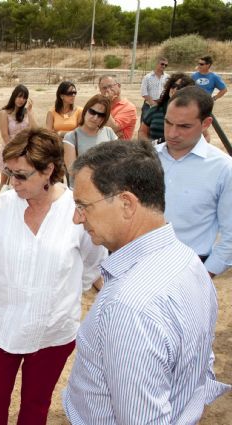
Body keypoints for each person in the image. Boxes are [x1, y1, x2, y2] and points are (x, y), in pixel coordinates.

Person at [63, 139, 230, 423]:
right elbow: (201, 363)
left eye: (83, 205)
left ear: (127, 204)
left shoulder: (128, 307)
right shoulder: (188, 262)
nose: (76, 218)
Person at [0, 128, 106, 425]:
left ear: (49, 171)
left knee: (36, 406)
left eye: (21, 175)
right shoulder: (0, 209)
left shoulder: (76, 211)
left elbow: (92, 263)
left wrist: (57, 293)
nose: (11, 182)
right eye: (9, 172)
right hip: (2, 329)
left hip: (53, 332)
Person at [157, 86, 232, 277]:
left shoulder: (224, 168)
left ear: (206, 123)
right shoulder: (147, 157)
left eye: (184, 126)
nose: (172, 133)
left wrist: (203, 277)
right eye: (168, 123)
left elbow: (230, 236)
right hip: (139, 264)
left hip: (190, 269)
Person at [63, 94, 117, 177]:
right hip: (81, 188)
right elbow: (72, 170)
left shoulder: (109, 133)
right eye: (92, 112)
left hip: (106, 187)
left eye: (101, 115)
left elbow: (118, 161)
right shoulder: (71, 137)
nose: (95, 118)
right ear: (85, 110)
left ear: (104, 118)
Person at [0, 84, 37, 191]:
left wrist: (29, 112)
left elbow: (35, 130)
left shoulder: (25, 113)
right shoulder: (4, 113)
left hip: (25, 152)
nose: (21, 100)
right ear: (14, 96)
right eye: (19, 96)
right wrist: (15, 152)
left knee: (21, 182)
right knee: (4, 182)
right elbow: (5, 135)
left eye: (24, 98)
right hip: (9, 150)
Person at [138, 72, 194, 142]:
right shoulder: (155, 110)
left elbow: (205, 136)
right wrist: (149, 146)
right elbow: (142, 132)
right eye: (173, 86)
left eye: (180, 87)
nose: (175, 89)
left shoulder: (192, 114)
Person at [98, 75, 137, 139]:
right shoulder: (98, 106)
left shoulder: (129, 108)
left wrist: (106, 102)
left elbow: (112, 128)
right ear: (100, 91)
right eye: (104, 88)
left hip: (119, 147)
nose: (107, 90)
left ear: (118, 86)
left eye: (110, 86)